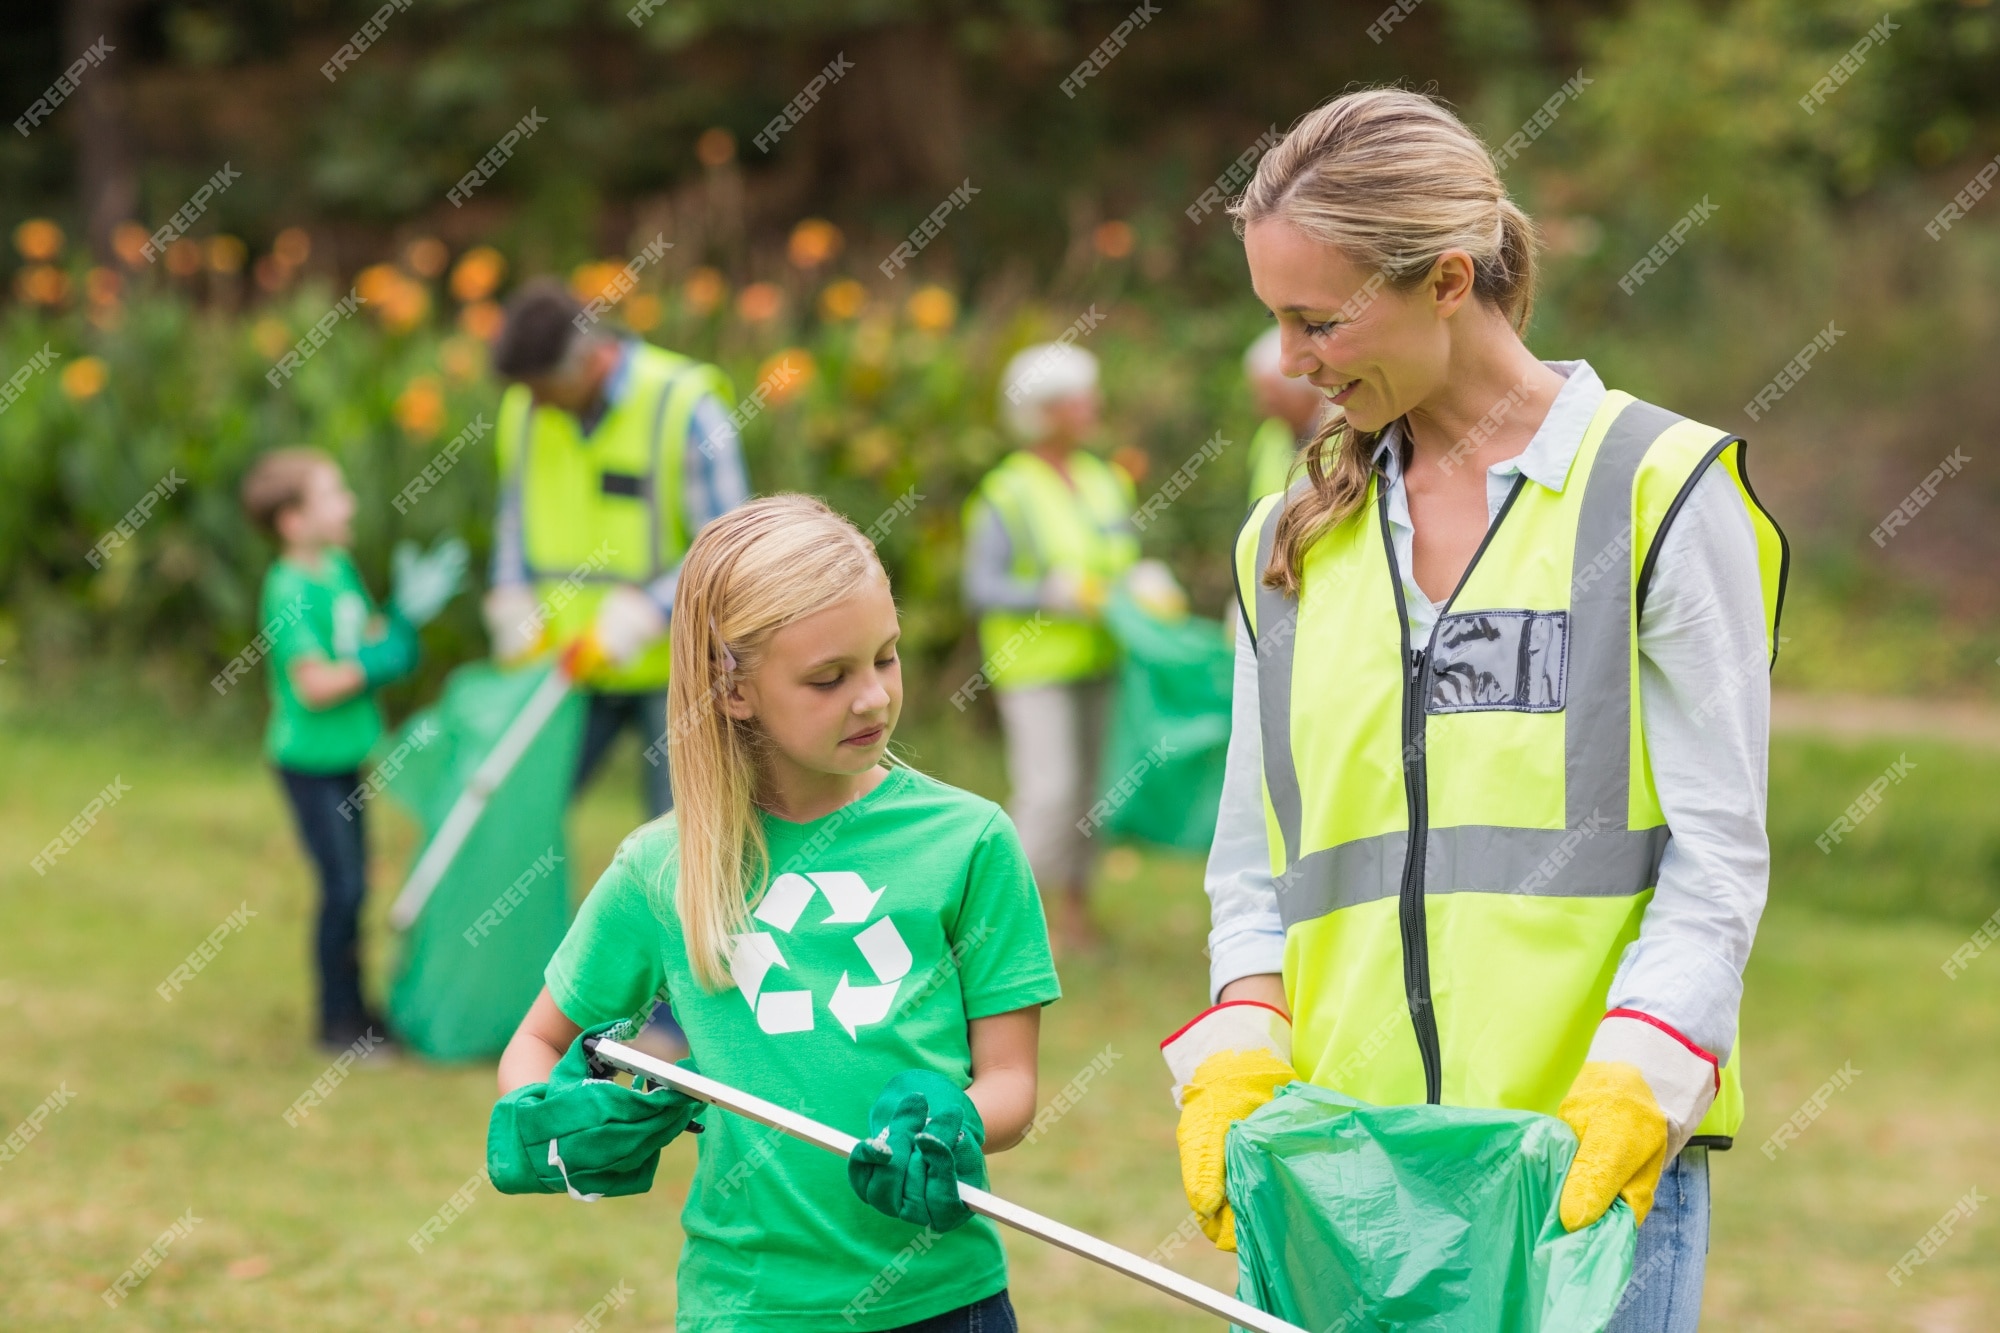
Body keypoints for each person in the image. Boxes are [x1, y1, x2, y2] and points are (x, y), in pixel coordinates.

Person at [1166, 89, 1786, 1333]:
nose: (1291, 361)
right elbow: (1253, 860)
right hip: (1343, 1177)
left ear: (1446, 279)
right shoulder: (1281, 544)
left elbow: (1718, 853)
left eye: (1315, 320)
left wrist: (1638, 1072)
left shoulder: (1657, 492)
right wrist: (1240, 1031)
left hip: (1582, 1169)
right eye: (1274, 322)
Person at [490, 494, 1060, 1333]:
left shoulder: (971, 841)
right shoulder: (662, 866)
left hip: (943, 1297)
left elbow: (1011, 1079)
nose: (871, 698)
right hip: (747, 1306)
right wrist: (553, 1121)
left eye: (887, 659)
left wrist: (962, 1121)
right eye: (829, 678)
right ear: (733, 690)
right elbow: (536, 1044)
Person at [484, 277, 749, 823]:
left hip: (674, 666)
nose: (532, 402)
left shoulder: (685, 404)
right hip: (568, 662)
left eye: (541, 388)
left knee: (683, 832)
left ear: (589, 361)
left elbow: (728, 544)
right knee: (518, 809)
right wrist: (511, 600)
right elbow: (515, 518)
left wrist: (644, 614)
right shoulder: (525, 409)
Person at [241, 447, 467, 1051]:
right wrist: (376, 661)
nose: (350, 504)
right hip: (308, 763)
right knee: (341, 888)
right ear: (293, 521)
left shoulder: (338, 567)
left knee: (357, 884)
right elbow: (314, 683)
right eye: (333, 494)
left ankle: (360, 1012)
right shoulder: (287, 586)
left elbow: (365, 634)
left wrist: (403, 617)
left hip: (347, 758)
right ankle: (337, 1023)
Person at [961, 343, 1138, 953]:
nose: (1093, 407)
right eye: (1078, 399)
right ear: (1043, 411)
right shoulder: (1006, 492)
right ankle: (1003, 933)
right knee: (1051, 794)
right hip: (1034, 668)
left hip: (1100, 659)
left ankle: (1073, 918)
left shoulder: (1103, 478)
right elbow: (980, 586)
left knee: (1094, 797)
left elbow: (1119, 560)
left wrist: (1140, 584)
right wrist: (1048, 593)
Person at [1242, 325, 1327, 503]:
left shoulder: (1350, 431)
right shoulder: (1269, 437)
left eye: (1271, 401)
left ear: (1305, 391)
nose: (1260, 409)